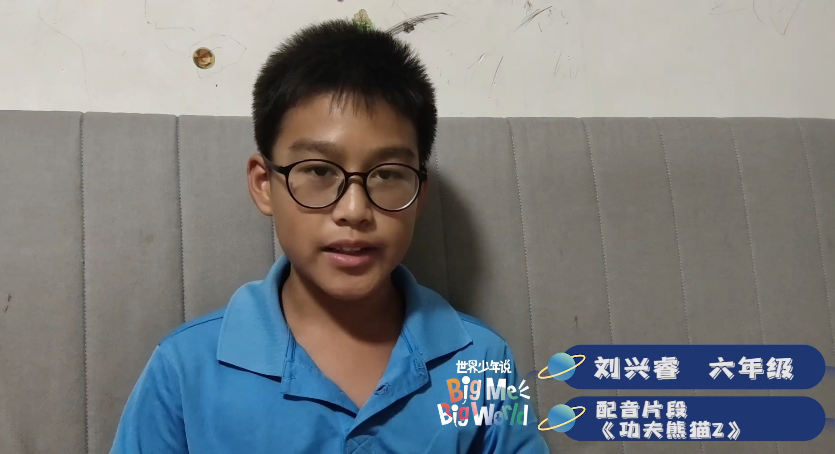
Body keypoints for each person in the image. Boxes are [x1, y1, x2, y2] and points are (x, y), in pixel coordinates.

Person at [110, 19, 550, 454]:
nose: (354, 210)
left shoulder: (483, 364)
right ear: (264, 184)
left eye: (388, 175)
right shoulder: (184, 369)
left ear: (419, 195)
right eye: (319, 171)